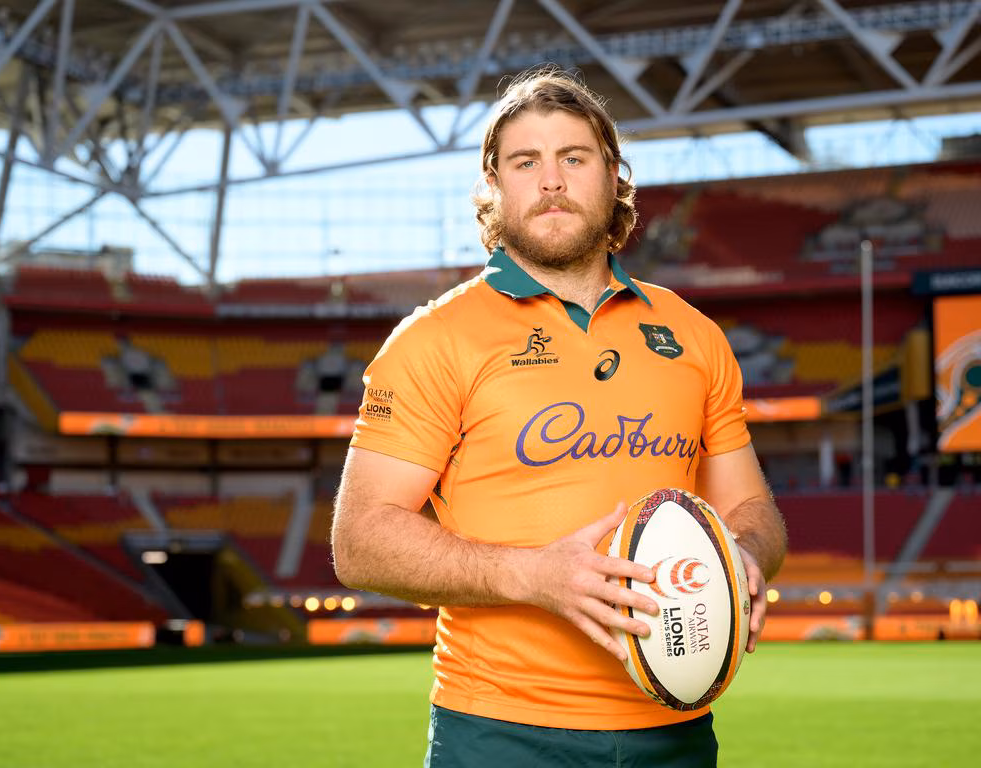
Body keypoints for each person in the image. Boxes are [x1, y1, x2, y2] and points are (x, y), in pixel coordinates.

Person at [331, 67, 787, 767]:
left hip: (678, 729)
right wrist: (532, 575)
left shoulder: (693, 334)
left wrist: (743, 559)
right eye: (526, 162)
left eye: (574, 158)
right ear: (494, 184)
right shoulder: (434, 340)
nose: (550, 180)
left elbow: (752, 508)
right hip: (501, 735)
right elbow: (360, 541)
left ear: (613, 176)